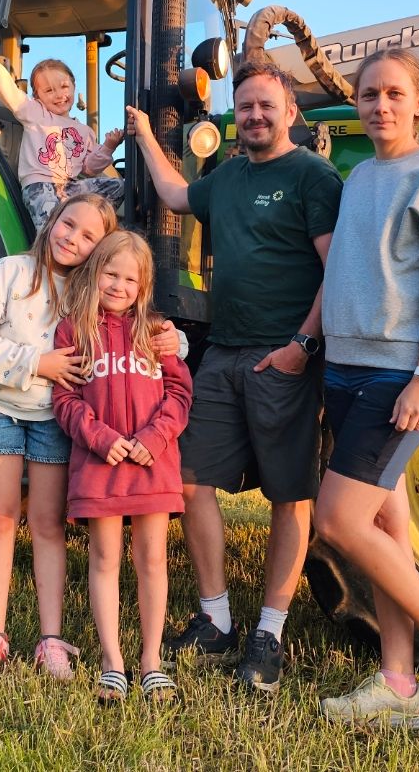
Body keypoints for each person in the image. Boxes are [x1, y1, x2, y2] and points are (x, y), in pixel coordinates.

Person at [126, 61, 343, 692]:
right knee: (190, 480)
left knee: (289, 494)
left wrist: (303, 345)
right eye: (245, 106)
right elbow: (174, 196)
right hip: (223, 351)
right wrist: (146, 136)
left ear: (290, 113)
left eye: (266, 106)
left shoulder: (313, 176)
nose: (254, 116)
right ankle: (216, 618)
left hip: (284, 355)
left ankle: (269, 632)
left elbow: (336, 270)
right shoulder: (225, 177)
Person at [313, 48, 419, 729]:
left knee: (338, 521)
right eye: (368, 95)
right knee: (385, 524)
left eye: (393, 94)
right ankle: (397, 680)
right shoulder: (360, 177)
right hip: (345, 368)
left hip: (398, 377)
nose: (380, 105)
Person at [0, 194, 184, 679]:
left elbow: (138, 328)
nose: (72, 238)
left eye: (88, 236)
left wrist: (176, 339)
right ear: (53, 219)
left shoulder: (86, 293)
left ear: (99, 251)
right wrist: (37, 363)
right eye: (68, 224)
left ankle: (51, 638)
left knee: (47, 524)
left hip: (52, 420)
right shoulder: (11, 272)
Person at [52, 231, 192, 704]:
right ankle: (113, 662)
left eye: (130, 279)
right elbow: (65, 399)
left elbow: (179, 393)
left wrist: (154, 438)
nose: (119, 285)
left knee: (152, 560)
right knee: (104, 559)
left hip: (152, 463)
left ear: (143, 285)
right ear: (95, 273)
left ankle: (151, 660)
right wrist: (100, 438)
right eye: (111, 274)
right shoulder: (74, 331)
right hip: (101, 464)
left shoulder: (156, 331)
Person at [0, 41, 124, 232]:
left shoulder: (85, 131)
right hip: (40, 185)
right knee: (52, 226)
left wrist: (109, 146)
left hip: (69, 188)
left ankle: (91, 229)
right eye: (49, 90)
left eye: (63, 86)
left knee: (119, 186)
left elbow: (89, 169)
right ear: (37, 97)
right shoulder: (35, 113)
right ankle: (47, 247)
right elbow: (7, 90)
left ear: (73, 85)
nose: (59, 95)